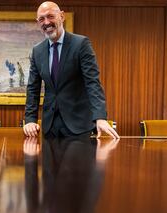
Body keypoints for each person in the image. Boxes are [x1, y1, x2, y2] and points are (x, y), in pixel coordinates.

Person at [23, 1, 119, 139]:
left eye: (50, 16)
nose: (46, 22)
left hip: (79, 126)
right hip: (50, 128)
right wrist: (30, 120)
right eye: (41, 19)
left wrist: (100, 117)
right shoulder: (37, 51)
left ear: (61, 16)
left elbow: (92, 83)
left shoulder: (81, 44)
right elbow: (33, 88)